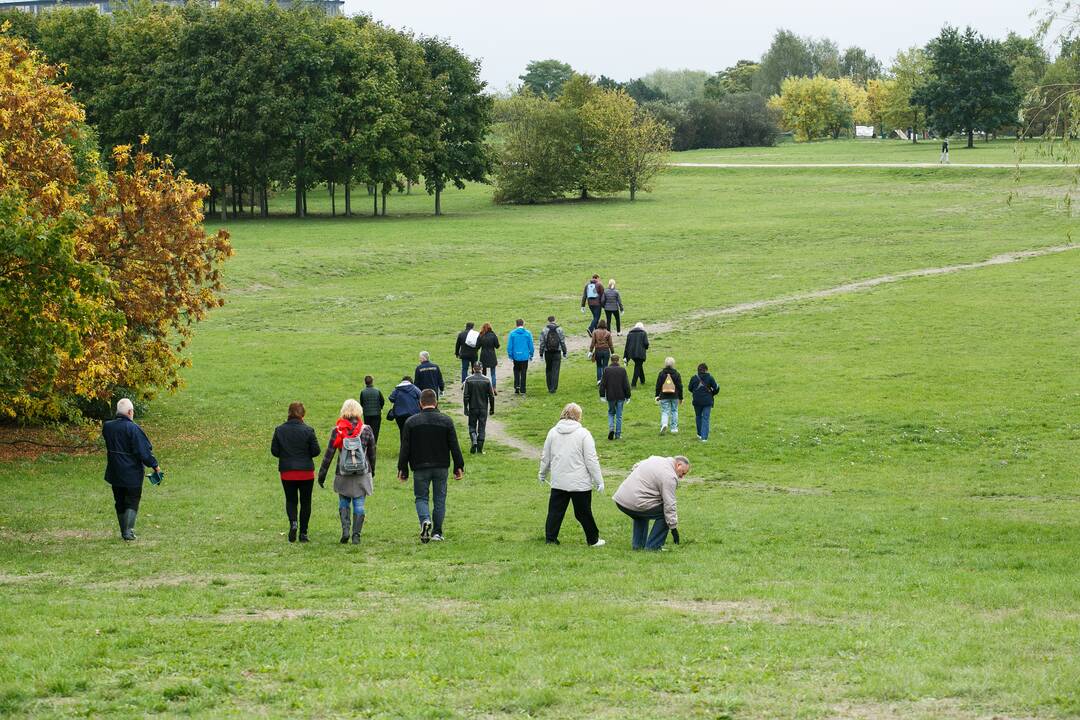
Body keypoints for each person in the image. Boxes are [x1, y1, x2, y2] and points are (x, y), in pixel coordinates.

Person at [398, 389, 465, 543]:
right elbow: (454, 445)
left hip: (420, 466)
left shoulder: (411, 422)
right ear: (436, 402)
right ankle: (437, 532)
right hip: (441, 466)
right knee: (439, 499)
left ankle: (425, 520)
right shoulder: (446, 420)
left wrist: (403, 468)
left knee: (421, 497)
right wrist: (458, 466)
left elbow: (405, 448)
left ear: (420, 403)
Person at [538, 403, 606, 547]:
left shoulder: (553, 432)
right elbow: (591, 459)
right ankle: (593, 539)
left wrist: (542, 473)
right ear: (578, 416)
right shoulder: (583, 434)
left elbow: (546, 457)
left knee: (555, 512)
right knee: (583, 513)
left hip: (559, 480)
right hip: (579, 482)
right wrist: (599, 480)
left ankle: (550, 539)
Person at [318, 399, 377, 545]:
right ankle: (356, 535)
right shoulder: (366, 429)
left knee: (343, 501)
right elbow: (372, 453)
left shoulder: (337, 430)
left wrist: (322, 474)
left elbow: (329, 454)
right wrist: (372, 471)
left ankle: (345, 530)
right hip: (362, 472)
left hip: (343, 472)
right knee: (359, 503)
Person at [102, 398, 160, 541]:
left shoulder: (107, 427)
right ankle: (128, 531)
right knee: (132, 500)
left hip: (114, 472)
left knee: (119, 501)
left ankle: (124, 530)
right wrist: (155, 465)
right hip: (131, 473)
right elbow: (144, 451)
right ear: (130, 412)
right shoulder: (133, 428)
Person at [612, 455, 690, 551]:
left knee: (642, 512)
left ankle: (638, 546)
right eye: (683, 472)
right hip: (636, 502)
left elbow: (635, 466)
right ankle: (653, 547)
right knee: (665, 513)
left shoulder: (654, 459)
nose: (682, 477)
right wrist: (673, 528)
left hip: (621, 499)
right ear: (678, 465)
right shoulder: (670, 476)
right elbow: (669, 504)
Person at [271, 402, 321, 542]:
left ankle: (293, 523)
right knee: (306, 502)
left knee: (291, 500)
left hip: (287, 472)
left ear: (289, 413)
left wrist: (285, 454)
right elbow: (316, 451)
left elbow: (274, 451)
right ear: (303, 414)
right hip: (305, 472)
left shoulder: (279, 430)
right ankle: (303, 533)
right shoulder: (308, 430)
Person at [462, 363, 495, 454]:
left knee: (472, 426)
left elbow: (465, 396)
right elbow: (491, 396)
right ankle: (480, 449)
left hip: (472, 407)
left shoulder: (468, 380)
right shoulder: (487, 380)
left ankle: (474, 441)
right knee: (482, 427)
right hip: (483, 408)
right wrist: (492, 408)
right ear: (481, 368)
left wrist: (465, 407)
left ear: (473, 368)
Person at [599, 354, 631, 440]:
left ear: (611, 360)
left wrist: (602, 395)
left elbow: (603, 384)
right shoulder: (622, 370)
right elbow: (626, 385)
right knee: (619, 416)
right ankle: (618, 434)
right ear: (618, 360)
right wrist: (628, 396)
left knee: (611, 413)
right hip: (621, 396)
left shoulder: (607, 370)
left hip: (611, 396)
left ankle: (611, 429)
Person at [688, 363, 720, 442]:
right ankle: (704, 437)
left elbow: (689, 388)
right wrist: (712, 393)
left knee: (698, 416)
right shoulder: (710, 377)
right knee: (706, 418)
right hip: (707, 401)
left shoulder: (694, 378)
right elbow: (716, 388)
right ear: (706, 370)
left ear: (698, 370)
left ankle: (699, 434)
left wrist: (696, 392)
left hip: (697, 401)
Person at [538, 315, 568, 394]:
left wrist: (541, 353)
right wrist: (564, 351)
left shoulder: (544, 330)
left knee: (548, 370)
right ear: (555, 320)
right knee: (556, 370)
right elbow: (562, 341)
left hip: (547, 352)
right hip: (557, 352)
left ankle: (549, 387)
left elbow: (542, 343)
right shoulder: (560, 329)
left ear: (548, 321)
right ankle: (554, 388)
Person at [655, 357, 684, 435]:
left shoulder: (661, 373)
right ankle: (674, 428)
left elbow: (658, 385)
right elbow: (680, 387)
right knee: (674, 411)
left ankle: (664, 424)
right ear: (673, 364)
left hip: (664, 396)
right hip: (674, 396)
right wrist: (681, 397)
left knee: (665, 411)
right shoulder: (677, 374)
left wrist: (657, 395)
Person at [506, 318, 535, 395]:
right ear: (523, 324)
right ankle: (523, 389)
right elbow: (531, 345)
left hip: (516, 356)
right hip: (525, 356)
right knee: (523, 372)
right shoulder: (527, 333)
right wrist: (531, 354)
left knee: (516, 371)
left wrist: (510, 355)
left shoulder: (512, 333)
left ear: (516, 324)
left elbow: (509, 346)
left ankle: (516, 387)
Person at [623, 322, 650, 387]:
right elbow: (646, 343)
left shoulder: (630, 334)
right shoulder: (644, 333)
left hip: (631, 353)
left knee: (639, 365)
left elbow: (627, 345)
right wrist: (645, 348)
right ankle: (633, 383)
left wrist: (625, 356)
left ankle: (642, 380)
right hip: (640, 353)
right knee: (638, 366)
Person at [359, 376, 385, 443]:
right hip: (377, 414)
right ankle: (374, 444)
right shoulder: (377, 391)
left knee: (367, 430)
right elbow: (382, 401)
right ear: (372, 381)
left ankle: (368, 444)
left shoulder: (363, 392)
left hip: (367, 414)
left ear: (365, 382)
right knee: (375, 430)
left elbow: (362, 403)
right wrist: (380, 407)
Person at [477, 322, 501, 392]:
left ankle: (484, 387)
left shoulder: (481, 335)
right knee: (493, 373)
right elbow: (497, 346)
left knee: (483, 373)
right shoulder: (493, 335)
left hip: (483, 355)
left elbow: (478, 346)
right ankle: (494, 388)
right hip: (492, 355)